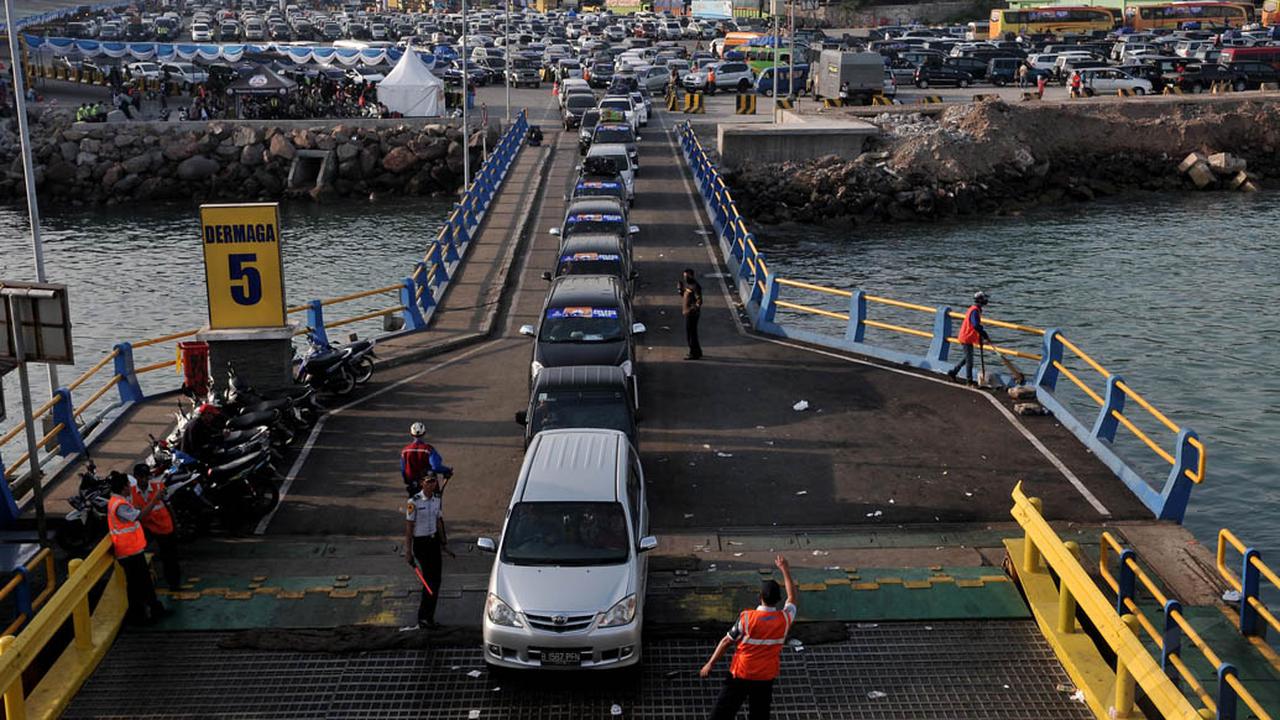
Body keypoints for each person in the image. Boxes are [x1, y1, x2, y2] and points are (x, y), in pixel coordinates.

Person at [700, 555, 799, 720]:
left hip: (741, 674)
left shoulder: (747, 618)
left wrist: (709, 664)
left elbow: (726, 641)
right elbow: (792, 598)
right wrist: (785, 570)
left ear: (760, 597)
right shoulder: (785, 619)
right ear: (777, 600)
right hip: (765, 677)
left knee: (721, 715)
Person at [107, 470, 165, 624]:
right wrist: (154, 500)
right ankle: (138, 615)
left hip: (133, 551)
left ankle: (154, 609)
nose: (129, 488)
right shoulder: (120, 506)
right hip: (128, 553)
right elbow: (139, 516)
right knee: (135, 586)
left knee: (144, 582)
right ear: (123, 487)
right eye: (127, 486)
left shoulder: (118, 502)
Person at [404, 473, 453, 629]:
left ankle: (429, 617)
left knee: (436, 581)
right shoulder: (414, 502)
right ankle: (423, 617)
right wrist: (408, 551)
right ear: (422, 483)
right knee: (429, 581)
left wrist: (444, 542)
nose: (432, 484)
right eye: (429, 481)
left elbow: (438, 521)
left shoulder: (436, 500)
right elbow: (409, 527)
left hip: (433, 542)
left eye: (434, 481)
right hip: (421, 544)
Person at [130, 463, 181, 591]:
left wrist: (176, 526)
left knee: (170, 557)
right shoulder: (130, 492)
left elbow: (169, 507)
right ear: (135, 477)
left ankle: (174, 583)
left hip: (163, 527)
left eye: (145, 477)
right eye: (140, 477)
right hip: (146, 528)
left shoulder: (159, 487)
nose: (143, 480)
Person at [947, 291, 991, 385]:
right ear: (979, 300)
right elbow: (975, 325)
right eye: (984, 299)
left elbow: (975, 325)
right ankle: (969, 381)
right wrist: (983, 333)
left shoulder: (975, 309)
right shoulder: (975, 311)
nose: (986, 300)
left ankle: (953, 372)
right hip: (966, 337)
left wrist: (981, 335)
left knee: (967, 357)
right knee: (970, 361)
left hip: (968, 337)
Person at [400, 422, 452, 496]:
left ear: (411, 434)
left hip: (413, 485)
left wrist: (408, 481)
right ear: (424, 433)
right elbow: (436, 466)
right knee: (435, 505)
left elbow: (403, 470)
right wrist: (447, 470)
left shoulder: (405, 451)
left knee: (412, 505)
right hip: (429, 485)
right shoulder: (428, 449)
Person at [679, 268, 703, 360]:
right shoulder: (688, 286)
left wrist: (693, 309)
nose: (685, 278)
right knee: (692, 333)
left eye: (687, 276)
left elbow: (699, 300)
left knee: (691, 334)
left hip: (692, 314)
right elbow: (685, 296)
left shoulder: (695, 286)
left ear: (691, 276)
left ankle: (693, 353)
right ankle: (698, 351)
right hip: (688, 312)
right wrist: (680, 290)